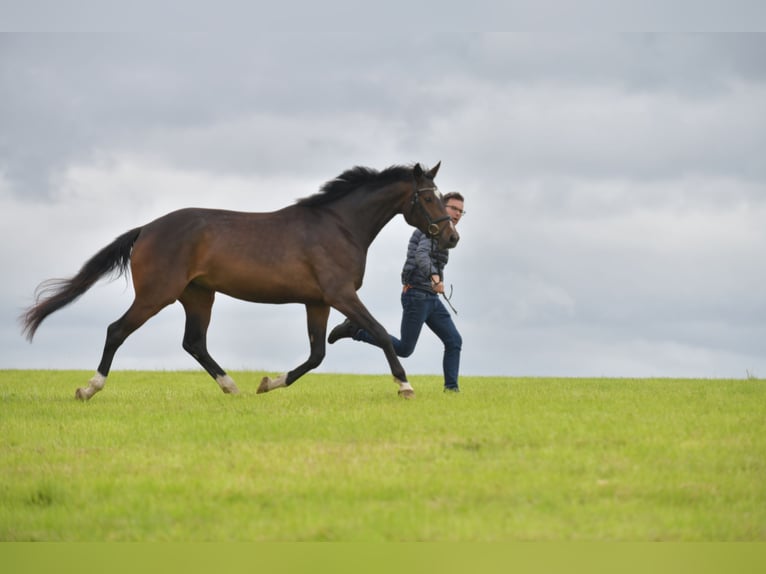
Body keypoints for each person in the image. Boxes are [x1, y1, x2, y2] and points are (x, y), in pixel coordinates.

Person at [328, 192, 465, 392]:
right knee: (404, 349)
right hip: (416, 295)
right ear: (442, 207)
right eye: (454, 208)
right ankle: (355, 331)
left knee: (454, 340)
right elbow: (421, 254)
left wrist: (435, 282)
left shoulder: (444, 231)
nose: (458, 214)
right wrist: (435, 277)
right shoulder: (431, 229)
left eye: (461, 211)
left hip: (431, 297)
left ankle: (451, 389)